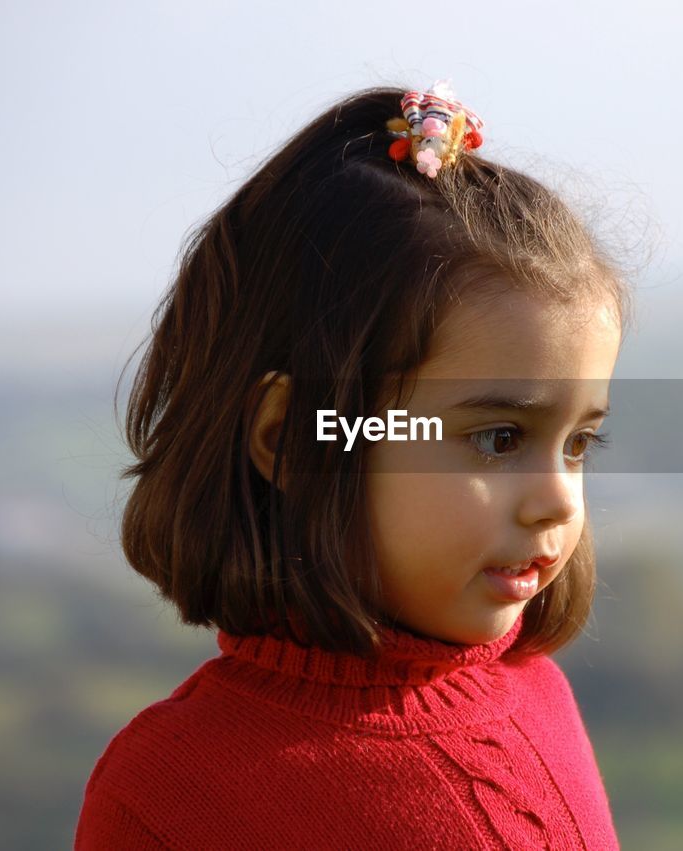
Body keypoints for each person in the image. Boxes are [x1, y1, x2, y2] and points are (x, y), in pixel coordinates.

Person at [74, 80, 633, 850]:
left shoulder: (539, 698)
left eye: (577, 444)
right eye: (499, 438)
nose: (558, 501)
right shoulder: (171, 795)